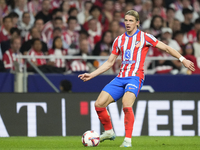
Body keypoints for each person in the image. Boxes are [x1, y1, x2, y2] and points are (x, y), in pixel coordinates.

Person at [78, 10, 195, 147]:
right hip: (121, 77)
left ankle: (127, 140)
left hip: (135, 77)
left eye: (131, 21)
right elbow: (110, 62)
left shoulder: (145, 37)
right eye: (126, 20)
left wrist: (182, 59)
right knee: (99, 104)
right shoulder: (119, 40)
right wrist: (92, 74)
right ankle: (109, 132)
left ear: (137, 22)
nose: (127, 23)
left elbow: (166, 48)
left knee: (127, 105)